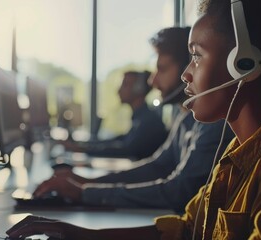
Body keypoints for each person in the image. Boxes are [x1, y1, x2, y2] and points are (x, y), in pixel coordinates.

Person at [7, 0, 261, 237]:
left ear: (244, 64)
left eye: (197, 57)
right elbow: (187, 229)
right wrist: (78, 235)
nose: (187, 74)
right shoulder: (236, 156)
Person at [28, 26, 234, 213]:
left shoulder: (214, 123)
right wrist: (88, 184)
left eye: (161, 69)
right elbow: (157, 166)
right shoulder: (184, 119)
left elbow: (178, 190)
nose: (153, 81)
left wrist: (85, 191)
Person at [63, 70, 168, 160]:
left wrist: (82, 149)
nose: (118, 90)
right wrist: (82, 145)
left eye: (125, 85)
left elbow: (126, 150)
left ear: (138, 89)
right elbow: (120, 140)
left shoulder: (148, 121)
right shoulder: (141, 117)